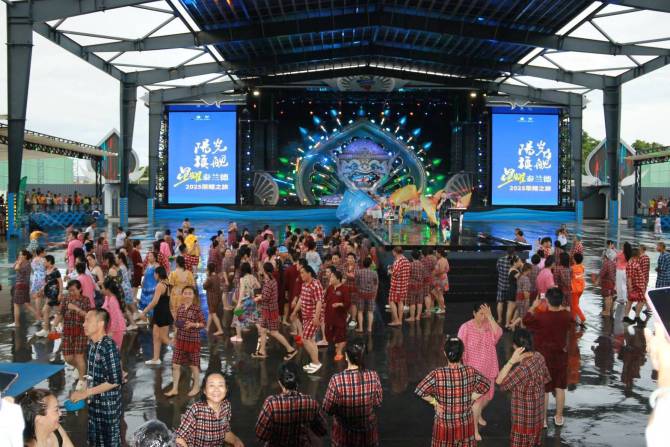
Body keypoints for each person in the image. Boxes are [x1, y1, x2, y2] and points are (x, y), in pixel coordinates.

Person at [415, 336, 490, 447]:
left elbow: (420, 391)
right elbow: (486, 384)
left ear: (445, 353)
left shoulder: (437, 373)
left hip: (444, 426)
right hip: (464, 425)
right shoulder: (470, 371)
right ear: (463, 354)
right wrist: (472, 397)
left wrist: (435, 402)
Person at [70, 309, 123, 447]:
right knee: (95, 441)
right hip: (94, 404)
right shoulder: (91, 345)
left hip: (108, 406)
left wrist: (86, 393)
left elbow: (115, 381)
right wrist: (84, 389)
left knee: (110, 442)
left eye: (88, 320)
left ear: (100, 324)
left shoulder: (108, 346)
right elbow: (92, 373)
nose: (84, 324)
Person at [523, 287, 573, 426]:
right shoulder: (567, 315)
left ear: (547, 301)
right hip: (560, 355)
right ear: (561, 301)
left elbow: (526, 321)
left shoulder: (540, 317)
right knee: (560, 387)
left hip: (543, 356)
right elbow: (570, 323)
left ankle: (543, 420)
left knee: (544, 389)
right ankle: (559, 417)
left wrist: (533, 306)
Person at [496, 329, 551, 447]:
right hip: (537, 417)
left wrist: (511, 361)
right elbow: (546, 379)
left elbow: (499, 382)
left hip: (523, 419)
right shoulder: (539, 357)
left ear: (515, 347)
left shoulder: (521, 370)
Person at [322, 340, 383, 446]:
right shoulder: (373, 376)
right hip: (368, 436)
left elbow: (328, 409)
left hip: (343, 435)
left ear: (346, 356)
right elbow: (378, 402)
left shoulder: (337, 380)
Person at [457, 303, 502, 441]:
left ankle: (478, 414)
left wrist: (491, 317)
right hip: (474, 372)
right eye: (481, 314)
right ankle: (474, 429)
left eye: (486, 314)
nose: (484, 317)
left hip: (489, 368)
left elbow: (499, 333)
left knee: (488, 397)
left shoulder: (489, 325)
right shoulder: (465, 327)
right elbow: (459, 347)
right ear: (474, 313)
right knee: (477, 401)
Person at [255, 362, 327, 446]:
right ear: (298, 381)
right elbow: (322, 431)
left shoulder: (271, 404)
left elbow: (260, 436)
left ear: (279, 382)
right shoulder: (310, 402)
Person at [174, 371, 244, 447]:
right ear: (204, 390)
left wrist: (235, 440)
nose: (216, 389)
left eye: (221, 385)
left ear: (226, 389)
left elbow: (225, 431)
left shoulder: (226, 406)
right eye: (211, 385)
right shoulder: (196, 410)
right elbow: (179, 438)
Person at [165, 285, 205, 397]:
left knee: (193, 365)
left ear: (193, 296)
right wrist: (174, 337)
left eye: (190, 293)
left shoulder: (197, 309)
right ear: (182, 295)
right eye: (185, 293)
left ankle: (196, 387)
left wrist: (194, 324)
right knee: (175, 365)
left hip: (192, 342)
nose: (187, 295)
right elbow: (177, 325)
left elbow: (203, 324)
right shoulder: (180, 308)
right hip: (180, 341)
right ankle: (174, 389)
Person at [253, 262, 297, 360]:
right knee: (263, 330)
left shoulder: (269, 282)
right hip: (268, 310)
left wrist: (258, 298)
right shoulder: (271, 280)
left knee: (274, 332)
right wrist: (261, 296)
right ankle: (262, 351)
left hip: (270, 311)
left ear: (264, 270)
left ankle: (291, 349)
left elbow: (266, 297)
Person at [291, 265, 324, 373]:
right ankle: (315, 362)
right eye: (300, 273)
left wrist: (316, 317)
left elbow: (319, 301)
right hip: (305, 316)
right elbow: (301, 299)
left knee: (305, 339)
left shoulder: (316, 284)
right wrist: (295, 311)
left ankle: (316, 362)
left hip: (312, 317)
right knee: (311, 340)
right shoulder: (304, 284)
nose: (301, 275)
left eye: (303, 273)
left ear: (309, 273)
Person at [59, 280, 90, 389]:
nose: (71, 292)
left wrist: (76, 309)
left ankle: (82, 381)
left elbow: (88, 316)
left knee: (79, 356)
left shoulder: (85, 300)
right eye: (69, 290)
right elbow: (61, 313)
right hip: (67, 331)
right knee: (68, 358)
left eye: (73, 290)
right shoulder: (65, 299)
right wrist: (53, 326)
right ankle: (80, 369)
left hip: (81, 332)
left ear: (80, 289)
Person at [140, 266, 173, 365]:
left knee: (163, 338)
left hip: (160, 313)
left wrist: (144, 311)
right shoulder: (168, 284)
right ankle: (156, 358)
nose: (154, 275)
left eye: (154, 274)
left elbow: (154, 302)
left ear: (158, 274)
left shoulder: (160, 285)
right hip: (164, 312)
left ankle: (181, 350)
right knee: (156, 336)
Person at [324, 268, 351, 361]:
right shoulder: (330, 288)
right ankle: (336, 346)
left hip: (339, 317)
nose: (330, 278)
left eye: (332, 277)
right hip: (329, 316)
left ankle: (339, 352)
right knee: (328, 334)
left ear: (338, 279)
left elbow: (348, 303)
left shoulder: (344, 289)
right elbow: (325, 299)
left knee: (341, 335)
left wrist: (339, 304)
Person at [231, 262, 261, 343]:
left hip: (244, 301)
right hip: (252, 300)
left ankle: (239, 337)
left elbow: (242, 291)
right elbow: (258, 286)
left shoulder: (242, 279)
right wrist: (252, 287)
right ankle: (262, 335)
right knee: (255, 318)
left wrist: (238, 304)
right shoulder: (253, 277)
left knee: (237, 316)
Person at [36, 255, 61, 337]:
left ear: (49, 261)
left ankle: (48, 329)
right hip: (48, 294)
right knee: (57, 311)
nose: (43, 262)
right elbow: (47, 283)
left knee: (52, 311)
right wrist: (41, 290)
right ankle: (48, 329)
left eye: (45, 261)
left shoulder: (56, 271)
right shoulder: (47, 270)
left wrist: (60, 294)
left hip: (54, 295)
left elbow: (60, 283)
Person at [101, 277, 127, 350]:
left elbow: (115, 317)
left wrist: (111, 331)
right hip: (111, 326)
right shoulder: (107, 297)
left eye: (103, 288)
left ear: (108, 290)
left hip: (116, 329)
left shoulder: (112, 300)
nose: (102, 290)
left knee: (114, 350)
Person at [388, 246, 411, 327]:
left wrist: (390, 271)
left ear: (395, 252)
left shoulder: (397, 261)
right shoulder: (406, 260)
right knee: (400, 302)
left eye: (393, 252)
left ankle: (396, 320)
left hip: (396, 285)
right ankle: (400, 320)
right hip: (404, 285)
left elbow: (395, 273)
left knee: (391, 301)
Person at [10, 249, 33, 328]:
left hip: (20, 285)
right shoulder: (27, 263)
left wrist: (19, 262)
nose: (19, 256)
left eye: (20, 255)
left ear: (25, 256)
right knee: (27, 304)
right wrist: (18, 261)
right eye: (19, 255)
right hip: (25, 285)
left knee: (16, 304)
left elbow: (16, 268)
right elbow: (13, 267)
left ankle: (16, 323)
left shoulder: (25, 265)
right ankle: (39, 318)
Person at [355, 256, 378, 333]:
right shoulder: (374, 273)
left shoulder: (359, 272)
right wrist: (374, 292)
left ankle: (361, 328)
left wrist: (359, 289)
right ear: (370, 264)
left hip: (361, 294)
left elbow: (356, 283)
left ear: (363, 264)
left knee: (360, 311)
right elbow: (376, 284)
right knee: (370, 311)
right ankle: (369, 328)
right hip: (371, 294)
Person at [624, 247, 647, 325]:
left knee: (630, 301)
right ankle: (637, 317)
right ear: (636, 255)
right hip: (637, 286)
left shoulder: (632, 263)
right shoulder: (632, 264)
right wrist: (630, 288)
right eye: (639, 254)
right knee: (642, 300)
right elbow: (629, 277)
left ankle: (626, 317)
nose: (640, 255)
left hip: (636, 286)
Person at [203, 263, 224, 336]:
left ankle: (220, 330)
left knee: (213, 314)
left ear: (209, 269)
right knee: (211, 313)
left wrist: (206, 277)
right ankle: (207, 327)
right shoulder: (217, 276)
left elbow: (204, 286)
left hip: (211, 299)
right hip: (217, 298)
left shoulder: (210, 278)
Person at [496, 248, 515, 324]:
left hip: (501, 284)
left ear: (506, 252)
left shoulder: (500, 260)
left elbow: (497, 269)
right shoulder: (514, 261)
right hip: (510, 286)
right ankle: (508, 321)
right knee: (510, 304)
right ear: (514, 252)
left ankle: (499, 319)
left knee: (500, 302)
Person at [407, 249, 425, 322]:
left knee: (412, 302)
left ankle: (412, 317)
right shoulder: (422, 265)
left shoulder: (410, 265)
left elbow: (408, 275)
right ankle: (418, 317)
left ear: (412, 256)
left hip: (412, 285)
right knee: (420, 302)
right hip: (420, 285)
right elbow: (424, 275)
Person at [30, 247, 47, 320]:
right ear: (41, 252)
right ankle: (45, 313)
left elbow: (33, 269)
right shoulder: (44, 260)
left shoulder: (33, 260)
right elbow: (47, 268)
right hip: (43, 278)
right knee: (47, 296)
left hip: (35, 278)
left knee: (37, 297)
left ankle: (38, 316)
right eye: (45, 251)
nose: (45, 252)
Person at [431, 248, 449, 314]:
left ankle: (442, 309)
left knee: (440, 294)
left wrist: (433, 274)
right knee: (438, 293)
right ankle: (441, 306)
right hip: (442, 278)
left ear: (439, 253)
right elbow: (447, 269)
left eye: (436, 253)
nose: (435, 254)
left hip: (440, 279)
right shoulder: (444, 259)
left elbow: (441, 270)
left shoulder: (441, 260)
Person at [571, 252, 586, 326]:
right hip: (581, 288)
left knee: (574, 305)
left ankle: (582, 318)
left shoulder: (572, 268)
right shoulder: (582, 267)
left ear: (574, 260)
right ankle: (573, 318)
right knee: (575, 304)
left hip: (574, 289)